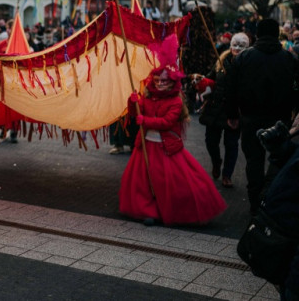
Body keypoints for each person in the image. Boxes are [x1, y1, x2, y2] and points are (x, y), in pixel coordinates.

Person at [119, 35, 226, 225]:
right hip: (146, 146)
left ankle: (168, 210)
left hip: (166, 148)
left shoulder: (175, 101)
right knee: (142, 183)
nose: (160, 83)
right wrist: (133, 102)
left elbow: (167, 122)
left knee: (168, 184)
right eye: (157, 80)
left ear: (172, 82)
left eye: (165, 81)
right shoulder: (148, 96)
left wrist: (145, 120)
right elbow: (136, 114)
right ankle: (147, 210)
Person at [226, 18, 299, 214]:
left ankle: (255, 199)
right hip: (281, 118)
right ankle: (271, 196)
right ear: (277, 34)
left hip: (251, 117)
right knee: (278, 159)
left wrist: (232, 114)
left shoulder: (244, 58)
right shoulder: (289, 58)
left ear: (257, 34)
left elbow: (231, 88)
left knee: (254, 161)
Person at [200, 32, 249, 188]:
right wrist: (203, 84)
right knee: (210, 141)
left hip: (235, 109)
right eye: (235, 45)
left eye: (241, 46)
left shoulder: (249, 63)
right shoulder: (221, 60)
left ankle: (227, 174)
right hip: (216, 107)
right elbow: (211, 78)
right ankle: (216, 161)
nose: (237, 49)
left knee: (231, 144)